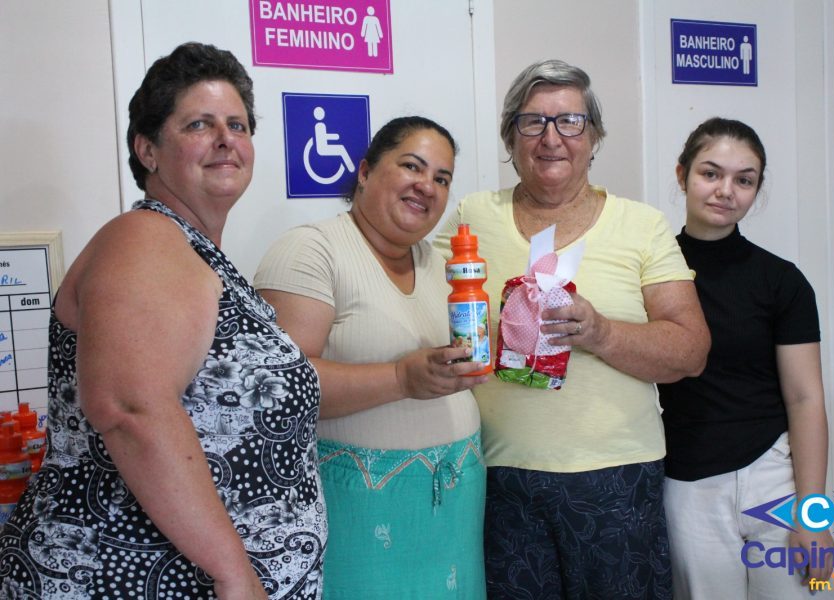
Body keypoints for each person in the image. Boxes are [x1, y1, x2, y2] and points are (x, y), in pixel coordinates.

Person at [0, 43, 325, 600]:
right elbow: (131, 408)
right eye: (199, 124)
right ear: (147, 149)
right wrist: (234, 573)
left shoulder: (198, 254)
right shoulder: (145, 238)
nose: (225, 139)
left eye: (238, 125)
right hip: (125, 573)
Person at [433, 60, 710, 599]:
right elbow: (420, 304)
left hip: (617, 477)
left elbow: (691, 351)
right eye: (532, 121)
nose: (551, 138)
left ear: (595, 136)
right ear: (509, 138)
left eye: (570, 121)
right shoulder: (472, 216)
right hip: (498, 475)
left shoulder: (641, 225)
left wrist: (602, 333)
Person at [254, 116, 489, 598]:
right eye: (412, 166)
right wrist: (401, 379)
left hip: (453, 504)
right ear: (364, 172)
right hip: (361, 508)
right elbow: (278, 390)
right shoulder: (312, 250)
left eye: (442, 178)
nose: (427, 186)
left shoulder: (437, 264)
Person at [657, 117, 834, 599]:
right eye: (710, 173)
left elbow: (805, 399)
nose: (725, 191)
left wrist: (813, 515)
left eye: (744, 180)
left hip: (774, 476)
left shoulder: (782, 281)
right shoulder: (653, 275)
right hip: (689, 482)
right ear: (682, 175)